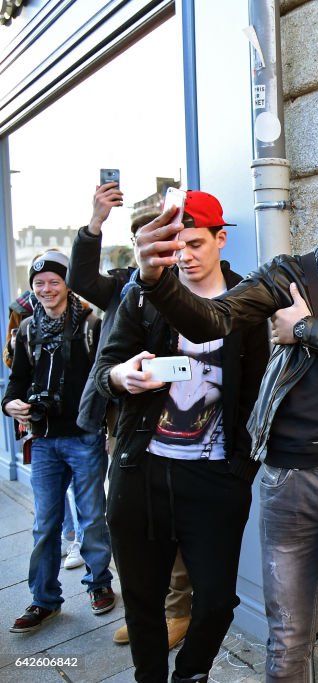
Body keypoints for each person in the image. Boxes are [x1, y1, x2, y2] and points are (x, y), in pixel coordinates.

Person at [129, 152, 318, 682]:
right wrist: (155, 279)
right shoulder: (288, 272)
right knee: (287, 635)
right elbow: (211, 320)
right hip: (289, 476)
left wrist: (306, 330)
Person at [92, 190, 269, 683]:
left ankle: (191, 674)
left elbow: (254, 394)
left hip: (213, 477)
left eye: (194, 243)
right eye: (175, 247)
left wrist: (239, 470)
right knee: (143, 600)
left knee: (215, 602)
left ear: (220, 239)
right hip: (140, 470)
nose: (185, 256)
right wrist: (121, 378)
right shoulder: (142, 295)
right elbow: (104, 369)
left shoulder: (245, 303)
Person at [68, 180, 196, 649]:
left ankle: (176, 610)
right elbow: (81, 281)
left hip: (181, 423)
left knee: (174, 519)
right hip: (125, 422)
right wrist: (95, 222)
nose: (157, 250)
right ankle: (144, 606)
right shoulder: (126, 286)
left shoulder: (195, 284)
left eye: (165, 239)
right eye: (146, 241)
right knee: (128, 517)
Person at [2, 250, 116, 632]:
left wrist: (102, 425)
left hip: (83, 437)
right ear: (32, 289)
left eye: (53, 281)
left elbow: (104, 378)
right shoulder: (29, 330)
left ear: (67, 283)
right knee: (45, 524)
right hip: (45, 439)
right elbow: (17, 382)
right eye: (39, 283)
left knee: (92, 519)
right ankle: (44, 600)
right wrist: (9, 404)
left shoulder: (90, 324)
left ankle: (99, 584)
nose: (46, 288)